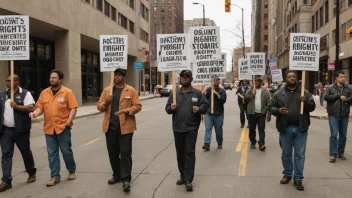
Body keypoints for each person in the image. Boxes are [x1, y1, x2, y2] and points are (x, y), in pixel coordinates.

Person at [30, 69, 78, 187]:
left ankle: (71, 170)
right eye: (50, 77)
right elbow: (40, 107)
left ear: (60, 80)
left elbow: (73, 108)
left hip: (63, 127)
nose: (51, 79)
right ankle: (55, 176)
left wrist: (68, 122)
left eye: (54, 78)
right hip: (49, 128)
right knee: (52, 153)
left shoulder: (67, 92)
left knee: (66, 151)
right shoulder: (44, 93)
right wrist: (35, 113)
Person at [268, 71, 315, 191]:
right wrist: (279, 111)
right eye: (289, 76)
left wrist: (305, 102)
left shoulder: (305, 93)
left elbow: (312, 107)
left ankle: (298, 178)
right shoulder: (279, 93)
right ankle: (287, 174)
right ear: (285, 79)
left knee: (300, 154)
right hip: (285, 128)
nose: (292, 78)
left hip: (301, 128)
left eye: (293, 76)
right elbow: (270, 107)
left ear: (297, 78)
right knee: (286, 154)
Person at [97, 68, 142, 192]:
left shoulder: (131, 90)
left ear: (124, 77)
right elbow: (99, 107)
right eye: (115, 75)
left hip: (126, 128)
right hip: (110, 127)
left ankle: (126, 179)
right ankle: (116, 175)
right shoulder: (107, 90)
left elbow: (138, 106)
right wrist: (106, 102)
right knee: (113, 153)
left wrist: (127, 111)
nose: (117, 77)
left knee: (125, 153)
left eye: (119, 75)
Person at [165, 70, 208, 192]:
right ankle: (183, 175)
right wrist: (171, 108)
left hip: (191, 127)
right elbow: (167, 109)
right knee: (180, 153)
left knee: (189, 152)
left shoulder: (198, 93)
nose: (184, 78)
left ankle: (188, 179)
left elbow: (205, 107)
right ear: (180, 79)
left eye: (186, 76)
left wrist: (199, 108)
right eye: (182, 76)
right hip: (177, 128)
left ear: (191, 79)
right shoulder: (174, 94)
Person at [0, 75, 36, 192]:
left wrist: (17, 106)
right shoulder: (2, 95)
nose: (8, 82)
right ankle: (6, 180)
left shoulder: (25, 93)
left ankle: (31, 172)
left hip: (21, 129)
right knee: (6, 154)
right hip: (6, 130)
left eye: (11, 80)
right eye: (7, 80)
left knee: (25, 151)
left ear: (17, 81)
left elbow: (31, 107)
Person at [324, 71, 352, 163]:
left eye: (344, 77)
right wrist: (337, 96)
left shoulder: (349, 88)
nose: (343, 78)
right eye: (341, 77)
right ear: (336, 78)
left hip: (344, 114)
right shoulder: (330, 87)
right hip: (333, 114)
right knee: (334, 134)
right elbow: (326, 97)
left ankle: (340, 153)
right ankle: (333, 154)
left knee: (343, 135)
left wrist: (346, 100)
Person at [244, 77, 271, 151]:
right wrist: (252, 95)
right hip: (252, 113)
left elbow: (269, 103)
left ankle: (261, 144)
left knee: (261, 129)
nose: (257, 83)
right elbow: (245, 100)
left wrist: (269, 114)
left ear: (261, 82)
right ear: (253, 82)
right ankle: (253, 142)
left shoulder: (265, 91)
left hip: (261, 113)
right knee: (252, 129)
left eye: (258, 81)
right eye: (255, 81)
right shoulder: (250, 90)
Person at [202, 76, 227, 151]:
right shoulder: (208, 90)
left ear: (219, 82)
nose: (215, 81)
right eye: (213, 80)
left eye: (217, 80)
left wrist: (216, 94)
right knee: (208, 129)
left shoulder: (222, 91)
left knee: (218, 130)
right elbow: (204, 100)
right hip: (208, 113)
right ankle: (207, 144)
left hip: (218, 114)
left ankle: (219, 143)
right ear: (211, 81)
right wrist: (204, 93)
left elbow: (223, 100)